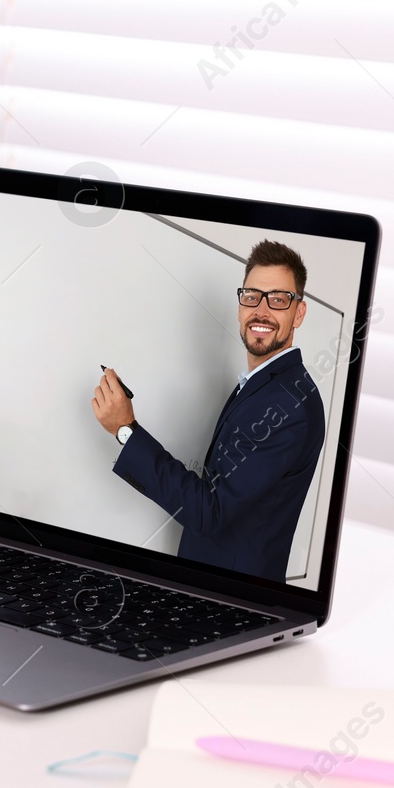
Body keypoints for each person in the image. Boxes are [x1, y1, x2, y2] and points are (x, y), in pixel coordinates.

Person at [92, 241, 326, 581]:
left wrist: (125, 429)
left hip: (231, 597)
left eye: (278, 299)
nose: (262, 311)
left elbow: (209, 511)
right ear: (240, 306)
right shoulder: (264, 385)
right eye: (252, 296)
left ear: (299, 313)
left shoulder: (287, 403)